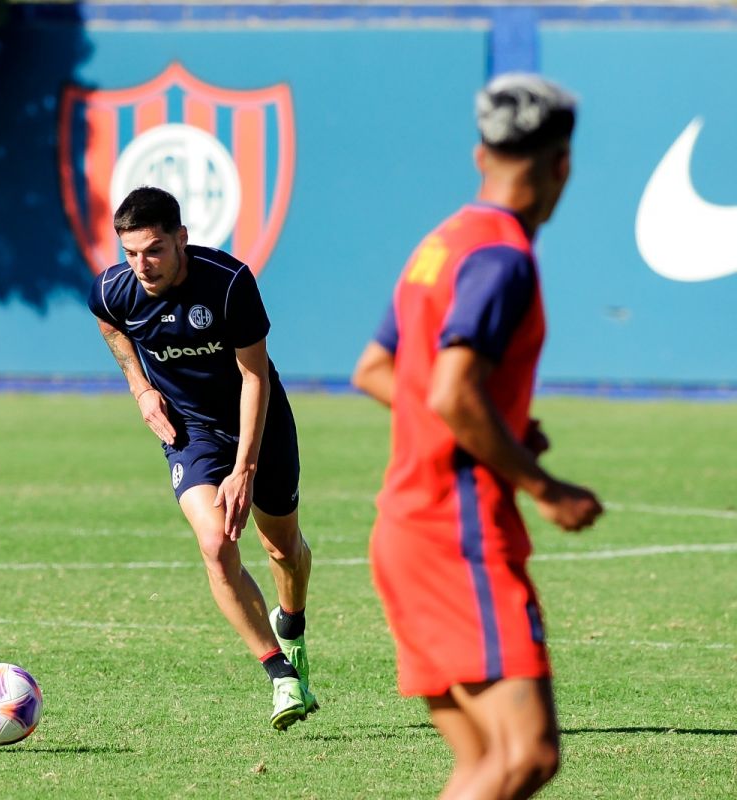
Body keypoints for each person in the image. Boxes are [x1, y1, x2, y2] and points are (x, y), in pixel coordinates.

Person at [351, 73, 604, 799]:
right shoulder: (504, 257)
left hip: (404, 530)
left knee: (483, 765)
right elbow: (450, 389)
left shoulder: (443, 243)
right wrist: (544, 485)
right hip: (457, 536)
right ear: (562, 165)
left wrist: (503, 425)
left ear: (479, 155)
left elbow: (377, 370)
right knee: (526, 757)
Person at [88, 186, 319, 731]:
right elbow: (110, 326)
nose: (141, 265)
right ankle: (281, 675)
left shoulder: (229, 283)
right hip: (190, 432)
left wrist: (245, 468)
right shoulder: (113, 290)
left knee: (281, 547)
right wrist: (141, 389)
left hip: (256, 421)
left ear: (181, 239)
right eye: (130, 253)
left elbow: (254, 376)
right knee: (217, 544)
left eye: (154, 250)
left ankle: (293, 625)